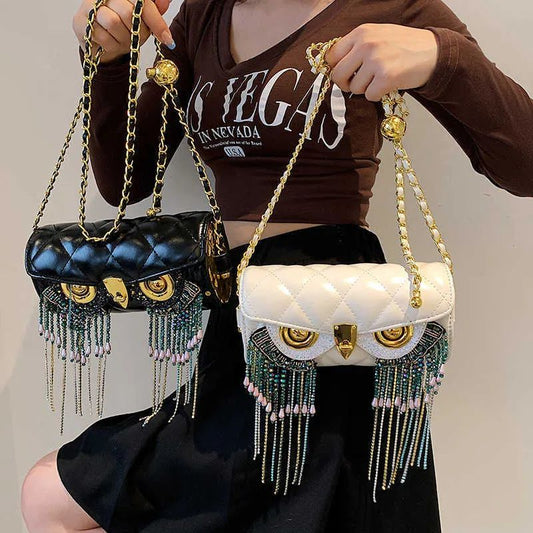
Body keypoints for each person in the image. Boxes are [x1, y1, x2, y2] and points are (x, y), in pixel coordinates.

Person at [21, 1, 533, 532]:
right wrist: (109, 60)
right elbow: (126, 180)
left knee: (51, 496)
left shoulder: (391, 6)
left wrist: (441, 58)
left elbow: (524, 163)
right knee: (52, 499)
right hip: (236, 320)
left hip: (329, 324)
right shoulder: (203, 15)